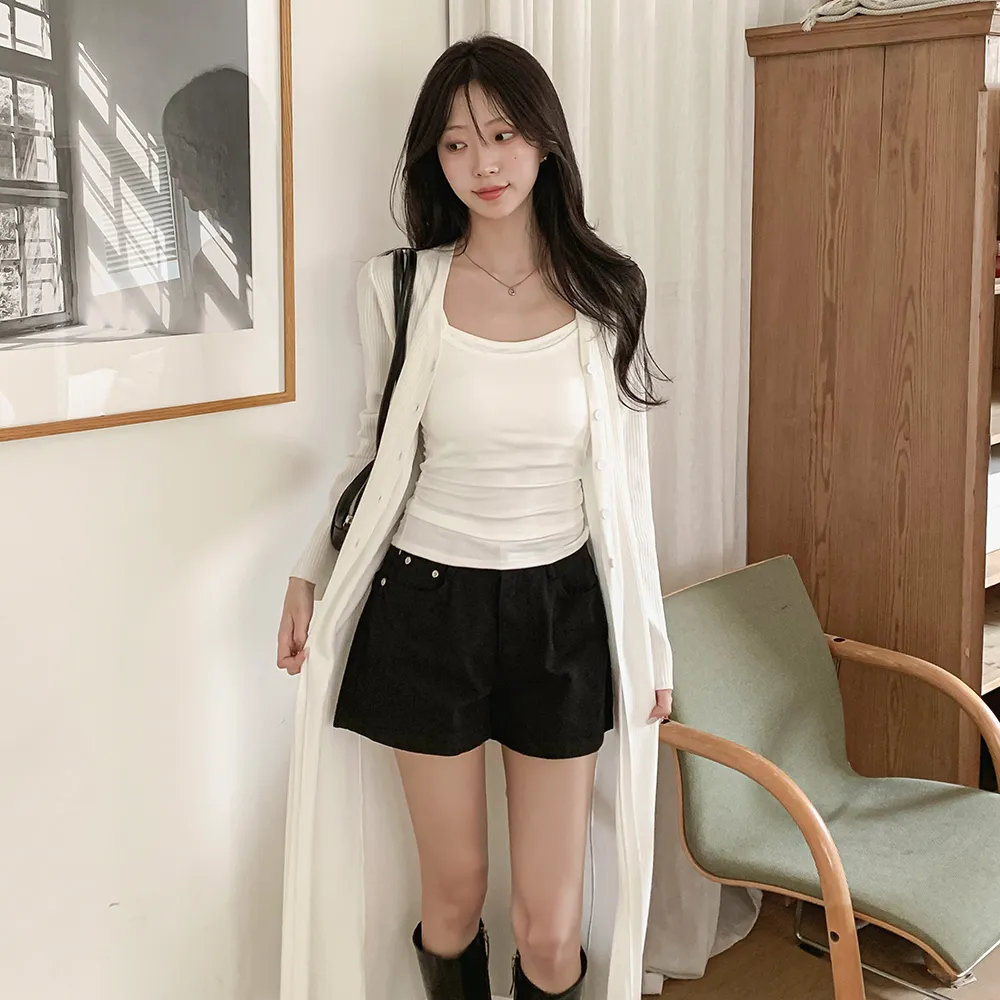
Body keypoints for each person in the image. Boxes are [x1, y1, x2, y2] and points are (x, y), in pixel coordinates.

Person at [276, 35, 673, 1000]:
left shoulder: (607, 292)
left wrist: (652, 641)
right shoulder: (398, 286)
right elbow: (373, 450)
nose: (483, 163)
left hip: (561, 610)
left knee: (550, 930)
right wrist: (309, 567)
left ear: (544, 141)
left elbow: (628, 486)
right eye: (456, 144)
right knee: (453, 901)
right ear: (434, 158)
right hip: (427, 605)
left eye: (501, 135)